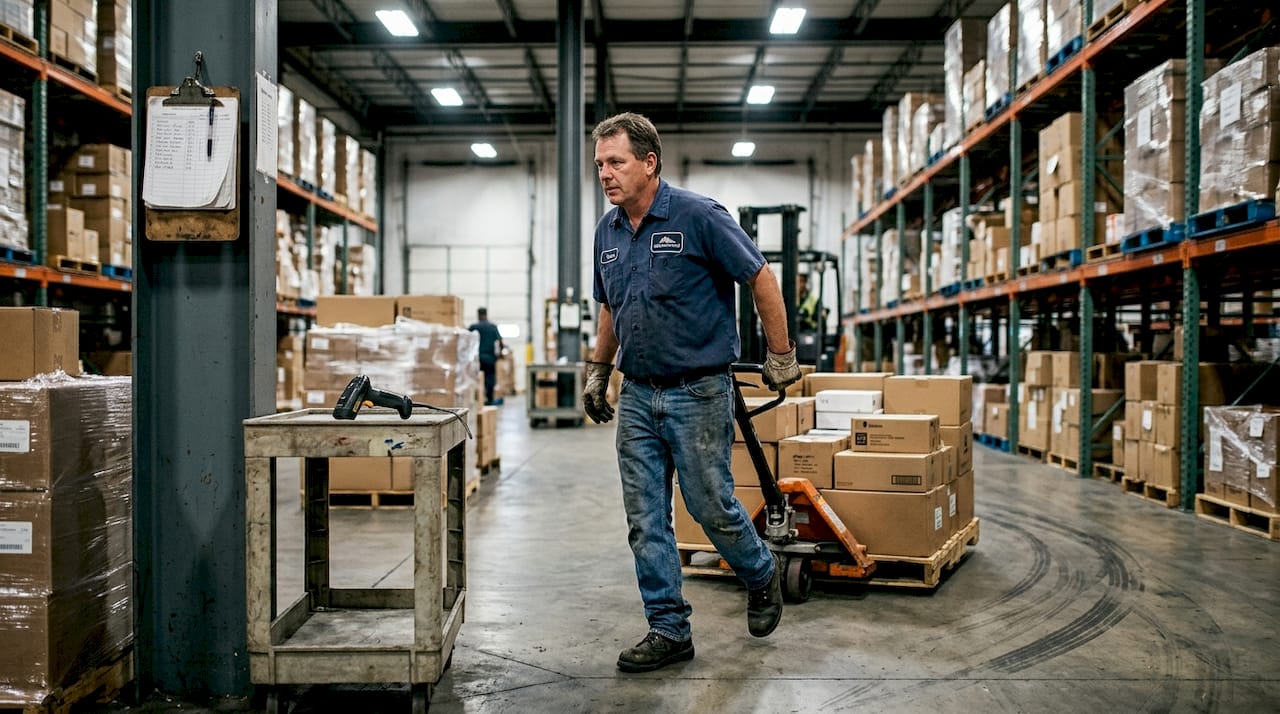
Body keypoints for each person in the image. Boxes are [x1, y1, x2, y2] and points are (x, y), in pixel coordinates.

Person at [581, 112, 802, 674]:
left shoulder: (699, 215)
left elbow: (759, 275)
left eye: (616, 162)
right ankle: (669, 628)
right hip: (638, 394)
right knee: (645, 518)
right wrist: (597, 372)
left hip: (698, 390)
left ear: (649, 163)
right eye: (600, 163)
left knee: (710, 507)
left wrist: (780, 354)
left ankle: (759, 572)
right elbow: (609, 305)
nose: (605, 174)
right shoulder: (607, 231)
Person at [468, 307, 505, 405]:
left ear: (478, 315)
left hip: (477, 358)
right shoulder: (492, 327)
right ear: (486, 314)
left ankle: (477, 400)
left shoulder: (473, 327)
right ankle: (489, 399)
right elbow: (500, 342)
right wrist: (500, 353)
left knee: (476, 378)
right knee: (490, 379)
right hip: (490, 358)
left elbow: (467, 341)